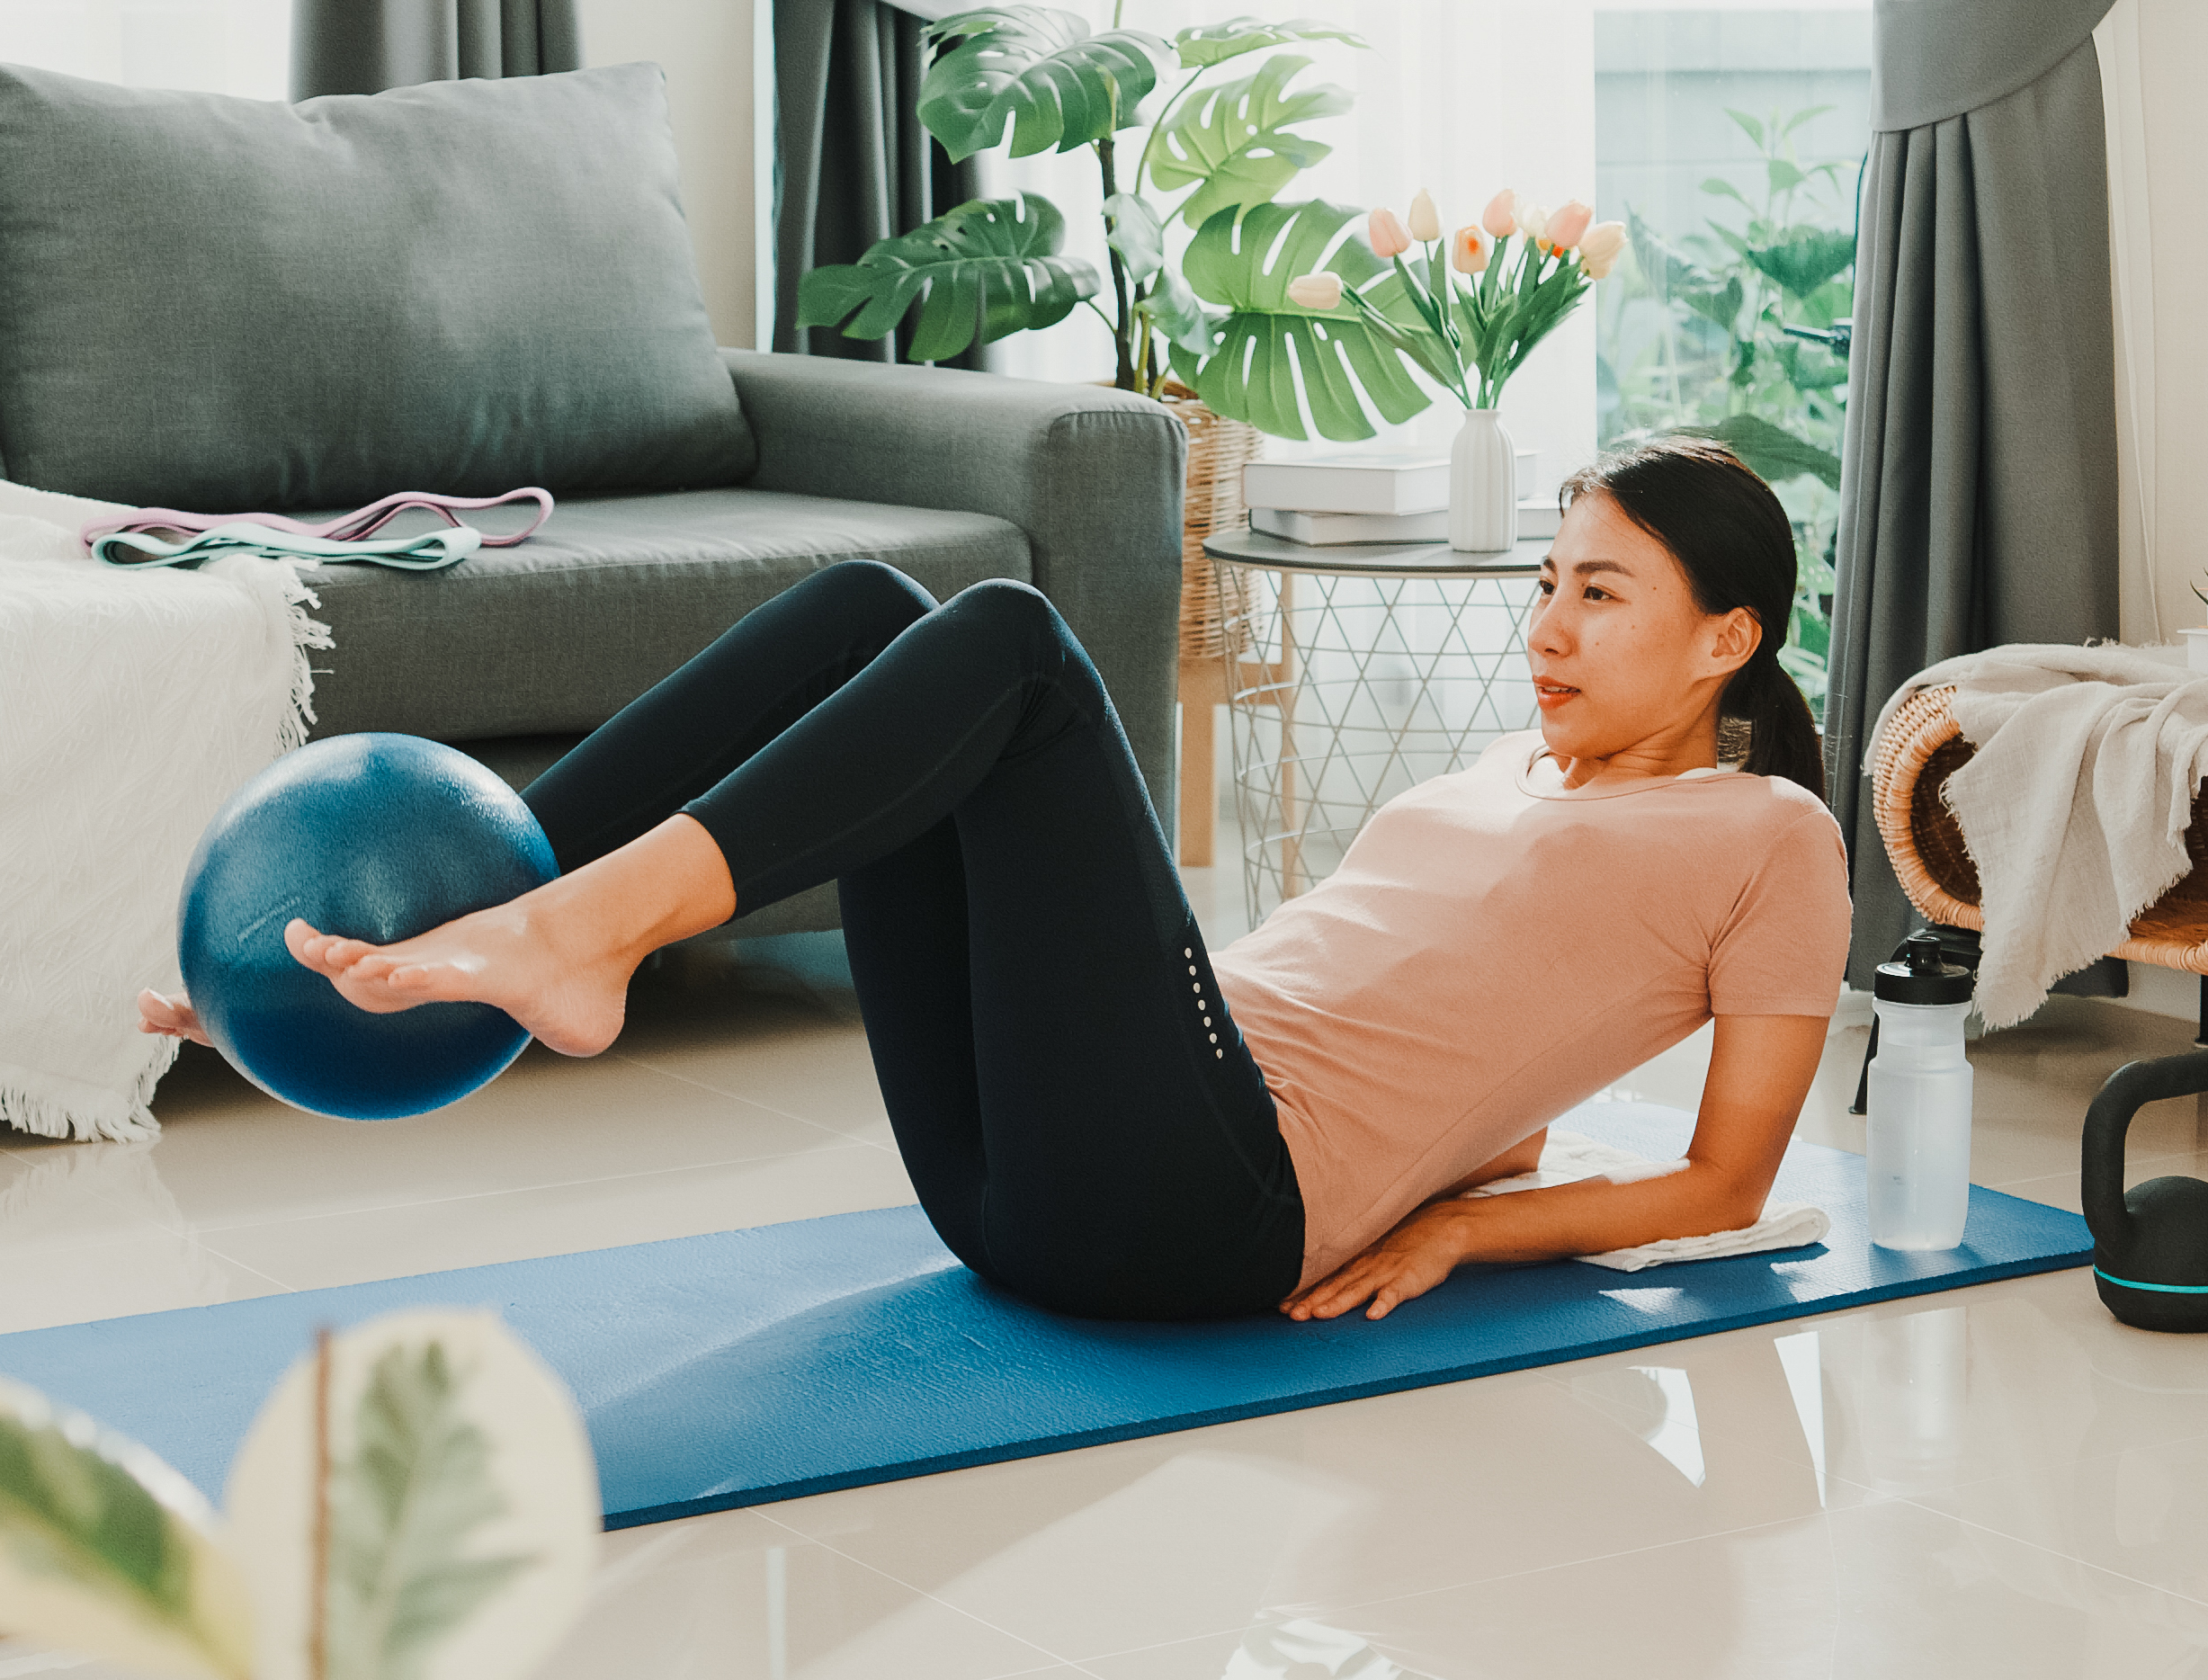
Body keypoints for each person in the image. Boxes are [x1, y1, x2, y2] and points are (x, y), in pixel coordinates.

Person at [139, 436, 1852, 1323]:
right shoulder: (1513, 768)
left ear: (1729, 637)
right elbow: (1480, 1019)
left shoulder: (1767, 839)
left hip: (1194, 1215)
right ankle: (451, 933)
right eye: (1547, 581)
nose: (1547, 627)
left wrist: (1475, 1226)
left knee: (1015, 651)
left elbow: (1723, 1181)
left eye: (1603, 595)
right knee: (871, 613)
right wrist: (1481, 1126)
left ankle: (568, 936)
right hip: (1030, 1174)